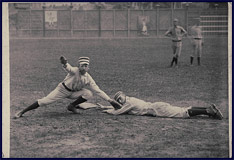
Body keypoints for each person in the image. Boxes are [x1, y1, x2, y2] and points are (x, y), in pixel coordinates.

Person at [14, 56, 122, 118]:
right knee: (45, 101)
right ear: (79, 66)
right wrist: (65, 63)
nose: (84, 67)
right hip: (62, 90)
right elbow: (68, 68)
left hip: (74, 93)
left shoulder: (88, 78)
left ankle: (71, 106)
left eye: (86, 65)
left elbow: (98, 90)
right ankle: (22, 112)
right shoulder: (75, 71)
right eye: (82, 65)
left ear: (88, 67)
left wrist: (110, 100)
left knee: (89, 93)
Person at [102, 91, 223, 120]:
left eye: (120, 98)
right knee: (182, 110)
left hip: (156, 109)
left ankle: (209, 111)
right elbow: (122, 109)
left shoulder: (129, 102)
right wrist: (108, 107)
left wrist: (108, 111)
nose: (120, 100)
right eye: (118, 100)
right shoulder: (130, 100)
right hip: (156, 107)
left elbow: (118, 112)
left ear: (124, 95)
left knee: (182, 113)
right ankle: (208, 110)